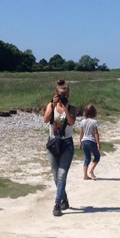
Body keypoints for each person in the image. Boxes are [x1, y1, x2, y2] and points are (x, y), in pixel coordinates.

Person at [43, 79, 77, 217]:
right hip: (53, 143)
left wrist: (65, 108)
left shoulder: (72, 108)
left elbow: (71, 122)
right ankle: (64, 199)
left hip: (66, 144)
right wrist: (53, 104)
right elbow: (46, 120)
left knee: (62, 175)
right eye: (61, 94)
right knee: (56, 175)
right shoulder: (50, 105)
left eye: (66, 94)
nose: (64, 96)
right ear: (56, 94)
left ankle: (57, 204)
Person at [80, 104, 101, 180]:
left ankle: (85, 175)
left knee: (87, 158)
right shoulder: (94, 122)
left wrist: (80, 142)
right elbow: (96, 133)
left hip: (84, 141)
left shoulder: (82, 121)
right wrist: (98, 143)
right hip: (92, 141)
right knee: (97, 156)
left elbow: (81, 133)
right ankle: (91, 169)